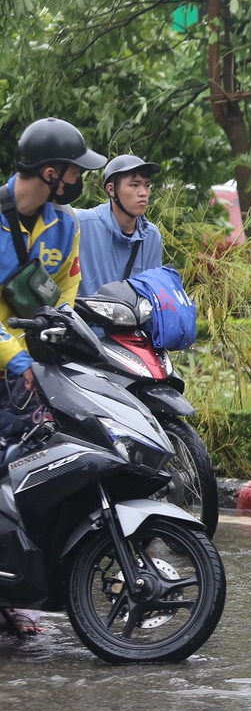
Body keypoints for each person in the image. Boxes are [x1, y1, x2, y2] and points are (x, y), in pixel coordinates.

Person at [0, 117, 106, 637]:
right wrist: (16, 360)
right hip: (9, 365)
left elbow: (68, 286)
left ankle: (21, 586)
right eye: (74, 170)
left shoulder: (66, 224)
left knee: (42, 466)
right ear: (50, 172)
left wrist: (61, 331)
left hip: (38, 363)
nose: (79, 178)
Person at [75, 155, 165, 295]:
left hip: (130, 316)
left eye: (147, 185)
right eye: (134, 185)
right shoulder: (82, 223)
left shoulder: (152, 236)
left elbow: (154, 293)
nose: (143, 193)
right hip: (83, 315)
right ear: (111, 190)